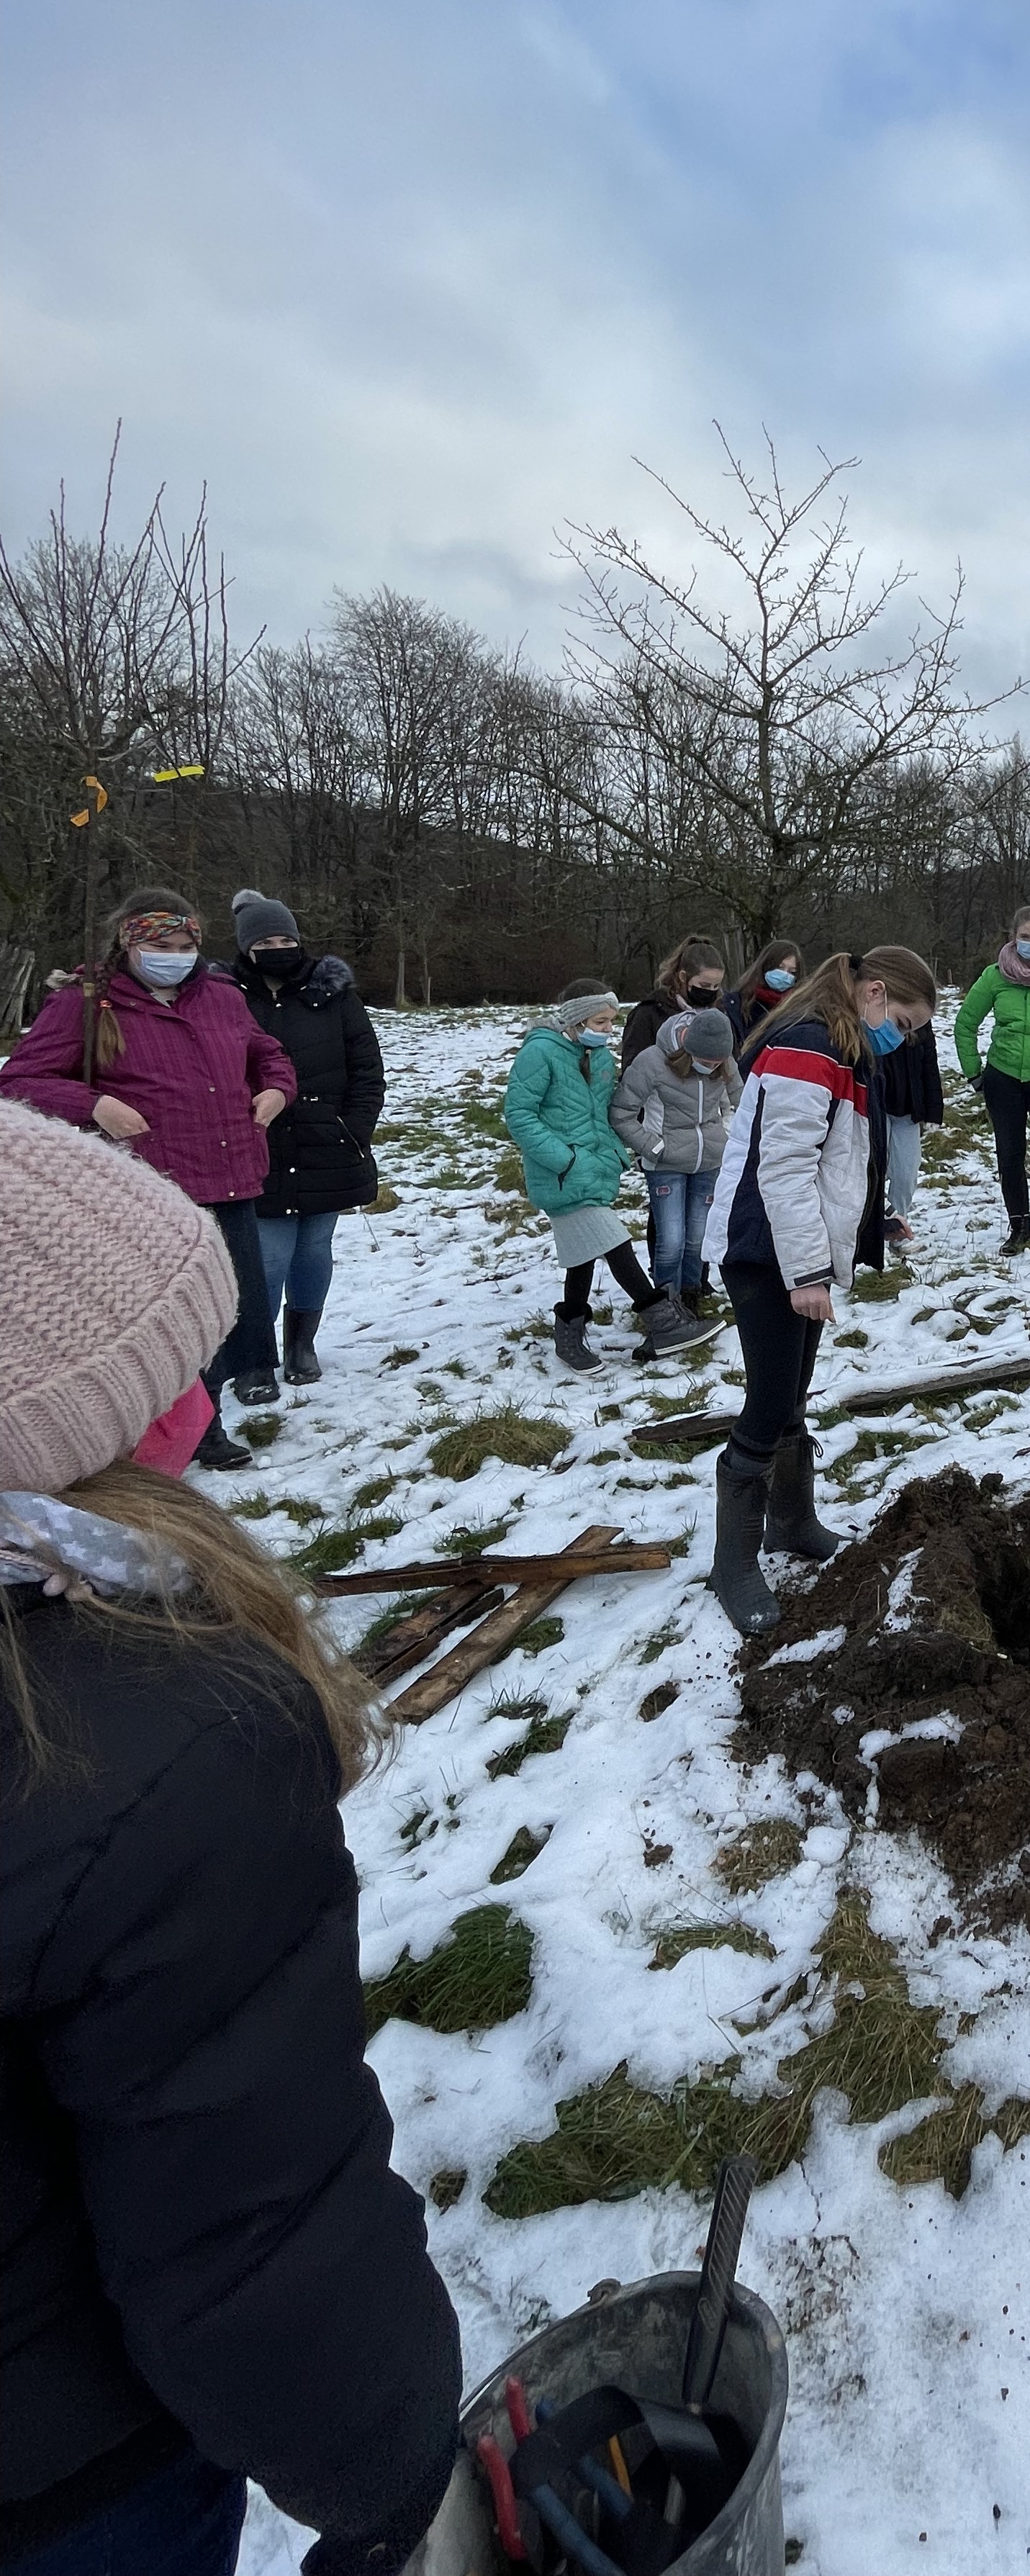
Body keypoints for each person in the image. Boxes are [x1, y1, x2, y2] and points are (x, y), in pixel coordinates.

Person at [0, 1098, 460, 2576]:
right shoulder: (155, 1737)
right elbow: (251, 2225)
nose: (196, 1401)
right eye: (165, 1376)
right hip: (71, 2486)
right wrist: (391, 2472)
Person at [1, 887, 294, 1472]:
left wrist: (275, 1088)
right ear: (130, 942)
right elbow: (19, 1081)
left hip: (230, 1173)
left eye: (187, 944)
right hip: (151, 1190)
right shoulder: (88, 1002)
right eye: (163, 944)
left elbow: (267, 1052)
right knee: (169, 1320)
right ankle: (163, 1436)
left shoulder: (220, 997)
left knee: (224, 1313)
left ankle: (204, 1422)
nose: (178, 955)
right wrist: (94, 1104)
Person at [701, 947, 936, 1635]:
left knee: (793, 1393)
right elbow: (784, 1169)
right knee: (769, 1399)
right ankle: (733, 1566)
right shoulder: (811, 1047)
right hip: (764, 1250)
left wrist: (870, 1224)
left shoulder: (845, 1051)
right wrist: (805, 1273)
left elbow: (843, 1161)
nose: (907, 1036)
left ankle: (792, 1523)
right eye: (904, 1019)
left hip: (794, 1247)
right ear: (874, 992)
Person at [502, 981, 708, 1373]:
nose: (608, 1029)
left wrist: (611, 1153)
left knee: (582, 1256)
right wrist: (564, 1160)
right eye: (601, 1021)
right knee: (615, 1242)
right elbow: (520, 1115)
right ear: (576, 1020)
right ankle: (662, 1321)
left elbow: (600, 1113)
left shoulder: (597, 1057)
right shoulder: (540, 1053)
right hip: (561, 1174)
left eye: (612, 1021)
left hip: (592, 1168)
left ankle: (569, 1333)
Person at [228, 890, 384, 1386]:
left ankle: (302, 1344)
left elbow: (366, 1069)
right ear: (246, 947)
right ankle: (255, 1357)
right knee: (267, 1256)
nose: (278, 947)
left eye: (285, 938)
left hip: (327, 1143)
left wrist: (353, 1130)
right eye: (266, 940)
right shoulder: (225, 997)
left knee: (314, 1250)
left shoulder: (334, 995)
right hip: (259, 1145)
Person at [608, 1003, 738, 1317]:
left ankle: (691, 1295)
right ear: (688, 1049)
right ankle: (666, 1304)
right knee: (671, 1240)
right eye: (706, 1062)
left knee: (697, 1237)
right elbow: (621, 1113)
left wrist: (728, 1140)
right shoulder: (652, 1062)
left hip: (709, 1161)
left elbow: (742, 1104)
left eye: (718, 1062)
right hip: (665, 1164)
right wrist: (653, 1148)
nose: (712, 1067)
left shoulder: (724, 1061)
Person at [954, 905, 1030, 1252]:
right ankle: (1019, 1229)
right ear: (1013, 938)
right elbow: (965, 1024)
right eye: (1025, 937)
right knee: (1010, 1154)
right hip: (1004, 1079)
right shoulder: (995, 976)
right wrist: (974, 1073)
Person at [864, 947, 943, 1245]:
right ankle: (873, 1223)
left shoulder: (918, 1024)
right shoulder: (872, 1027)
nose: (898, 1031)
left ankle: (899, 1225)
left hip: (909, 1109)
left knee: (907, 1172)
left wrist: (934, 1109)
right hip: (878, 1108)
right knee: (875, 1167)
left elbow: (929, 1064)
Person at [618, 936, 729, 1070]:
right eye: (704, 985)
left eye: (716, 986)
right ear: (683, 977)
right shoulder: (651, 1013)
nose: (711, 991)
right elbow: (633, 1068)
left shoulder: (721, 1013)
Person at [722, 941, 803, 1057]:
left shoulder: (797, 1009)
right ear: (766, 966)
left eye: (791, 972)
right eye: (780, 968)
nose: (785, 975)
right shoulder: (738, 1002)